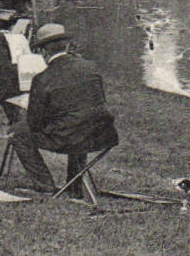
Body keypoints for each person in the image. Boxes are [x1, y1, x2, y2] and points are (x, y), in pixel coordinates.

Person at [8, 23, 119, 192]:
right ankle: (74, 185)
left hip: (70, 138)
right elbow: (98, 102)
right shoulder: (91, 68)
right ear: (67, 46)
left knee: (19, 133)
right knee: (79, 121)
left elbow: (35, 123)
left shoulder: (42, 78)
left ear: (43, 52)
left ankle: (45, 186)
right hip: (101, 134)